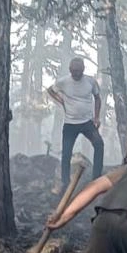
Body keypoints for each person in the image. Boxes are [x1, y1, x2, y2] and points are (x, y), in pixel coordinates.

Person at [47, 57, 104, 188]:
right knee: (66, 153)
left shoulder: (90, 81)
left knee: (99, 144)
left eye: (78, 70)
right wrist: (60, 101)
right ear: (70, 70)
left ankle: (96, 178)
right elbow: (50, 90)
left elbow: (97, 98)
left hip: (87, 122)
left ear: (83, 69)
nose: (76, 73)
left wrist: (96, 117)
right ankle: (65, 182)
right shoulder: (64, 81)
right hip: (70, 124)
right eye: (73, 71)